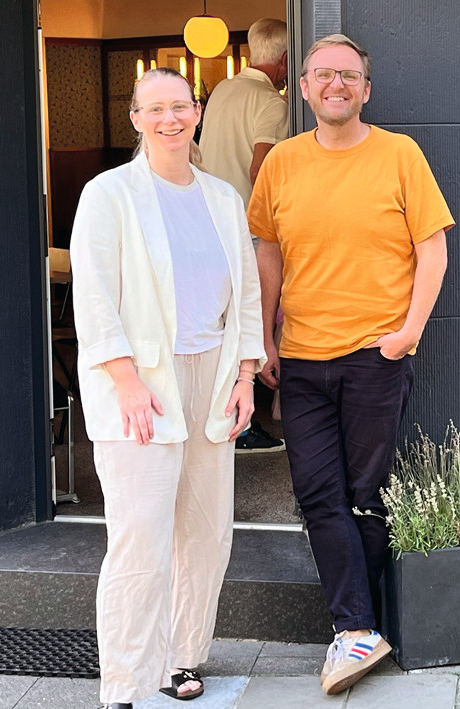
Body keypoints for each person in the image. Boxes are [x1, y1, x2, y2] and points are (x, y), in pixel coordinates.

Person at [247, 34, 454, 696]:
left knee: (366, 499)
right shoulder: (280, 162)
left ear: (366, 88)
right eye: (322, 74)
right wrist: (265, 338)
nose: (335, 84)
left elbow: (433, 251)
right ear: (301, 88)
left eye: (349, 75)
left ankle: (357, 627)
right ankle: (359, 627)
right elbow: (268, 254)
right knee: (316, 494)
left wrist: (407, 334)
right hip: (304, 359)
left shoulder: (400, 155)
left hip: (375, 356)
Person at [71, 66, 266, 709]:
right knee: (139, 536)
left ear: (198, 111)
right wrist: (124, 381)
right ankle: (125, 681)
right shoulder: (109, 194)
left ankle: (182, 657)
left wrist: (244, 377)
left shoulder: (222, 198)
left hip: (212, 378)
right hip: (140, 383)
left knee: (206, 534)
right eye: (155, 109)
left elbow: (245, 295)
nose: (170, 120)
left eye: (179, 107)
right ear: (135, 118)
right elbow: (95, 297)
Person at [199, 16, 290, 455]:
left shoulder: (222, 90)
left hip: (208, 221)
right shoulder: (272, 102)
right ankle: (246, 419)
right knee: (252, 318)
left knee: (219, 318)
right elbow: (262, 168)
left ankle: (223, 414)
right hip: (248, 228)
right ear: (285, 60)